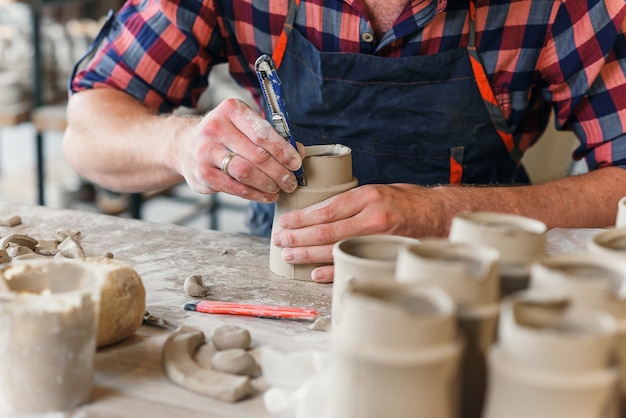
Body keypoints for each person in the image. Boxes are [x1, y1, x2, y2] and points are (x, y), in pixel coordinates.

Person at [64, 0, 626, 283]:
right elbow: (87, 126)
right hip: (287, 265)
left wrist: (447, 213)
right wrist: (179, 144)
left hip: (470, 276)